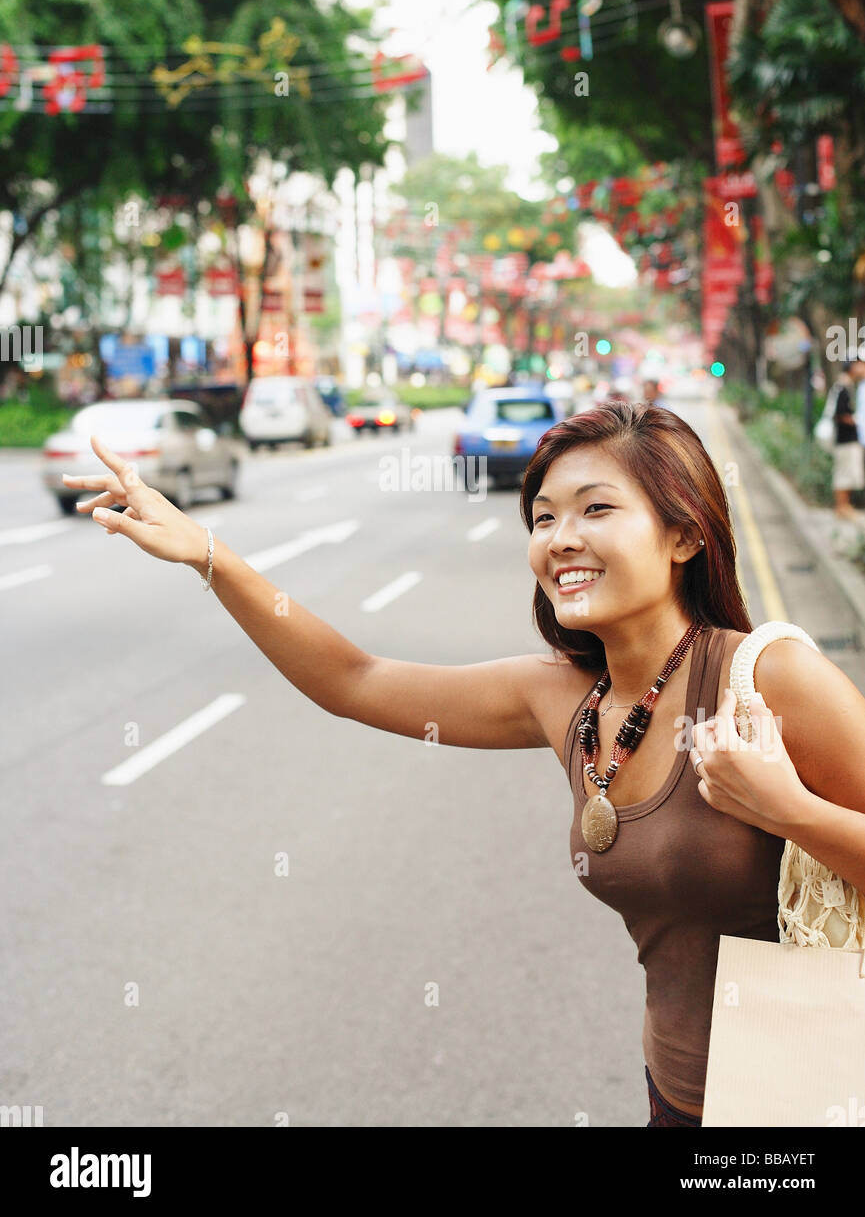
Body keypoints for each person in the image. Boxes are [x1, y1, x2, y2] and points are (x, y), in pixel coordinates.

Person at [61, 401, 865, 1127]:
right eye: (543, 517)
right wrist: (210, 556)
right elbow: (355, 681)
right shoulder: (562, 700)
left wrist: (789, 811)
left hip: (801, 1095)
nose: (561, 540)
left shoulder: (766, 681)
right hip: (673, 1094)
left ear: (684, 535)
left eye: (596, 510)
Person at [832, 351, 865, 521]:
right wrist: (855, 420)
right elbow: (840, 414)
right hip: (845, 439)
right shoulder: (844, 386)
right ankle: (841, 506)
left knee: (848, 473)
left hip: (848, 439)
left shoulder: (850, 385)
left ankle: (844, 506)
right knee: (844, 473)